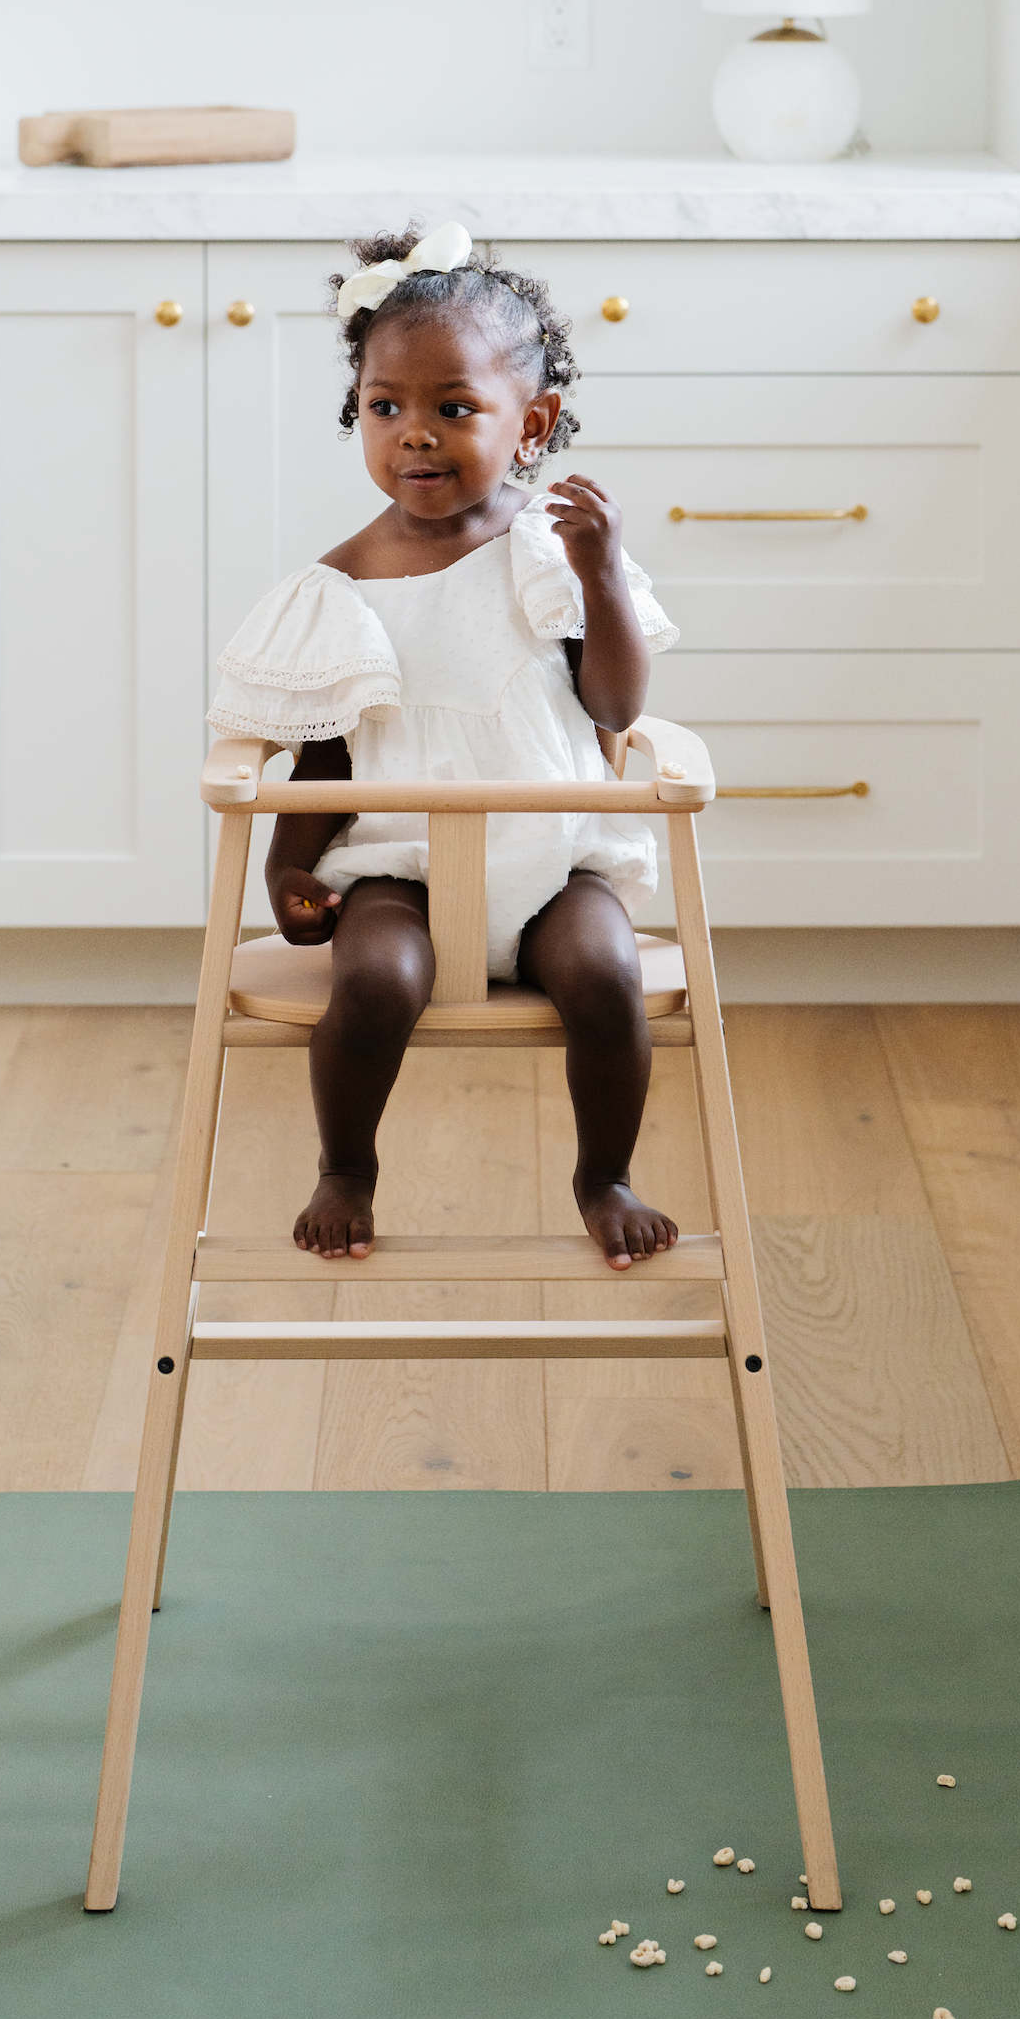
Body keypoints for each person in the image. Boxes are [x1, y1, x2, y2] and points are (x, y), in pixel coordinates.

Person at [207, 222, 682, 1271]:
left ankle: (603, 1175)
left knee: (603, 976)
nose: (413, 434)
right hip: (399, 865)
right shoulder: (335, 586)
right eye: (386, 408)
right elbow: (323, 760)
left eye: (452, 408)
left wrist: (600, 577)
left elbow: (611, 709)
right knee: (372, 980)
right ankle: (345, 1165)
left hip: (557, 854)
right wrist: (289, 871)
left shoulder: (546, 552)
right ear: (357, 414)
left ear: (531, 423)